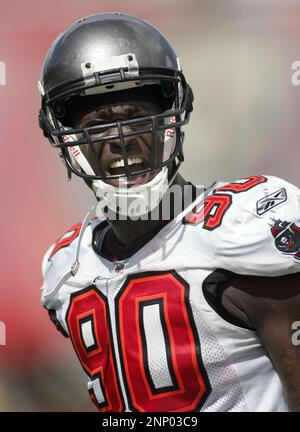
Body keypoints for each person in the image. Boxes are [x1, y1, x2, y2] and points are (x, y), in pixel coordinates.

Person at [39, 12, 300, 412]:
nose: (122, 141)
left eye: (137, 119)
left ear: (174, 120)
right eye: (99, 126)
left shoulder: (245, 229)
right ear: (67, 138)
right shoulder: (67, 270)